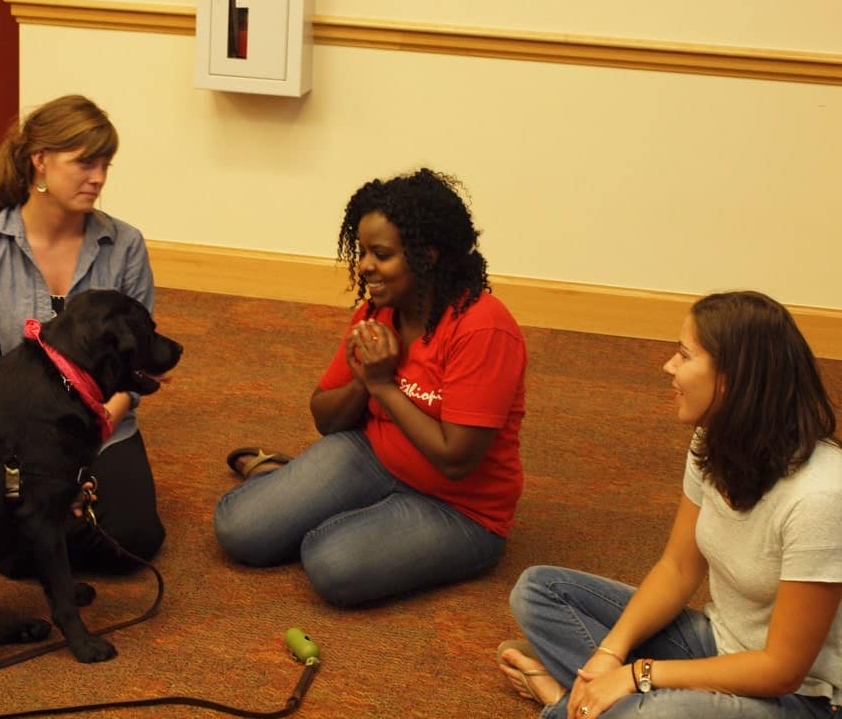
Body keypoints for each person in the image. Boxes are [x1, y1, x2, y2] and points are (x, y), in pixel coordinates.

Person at [498, 291, 841, 719]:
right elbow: (677, 569)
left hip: (803, 700)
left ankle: (563, 704)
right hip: (718, 645)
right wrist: (609, 653)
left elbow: (782, 670)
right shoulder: (713, 440)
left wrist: (640, 673)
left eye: (683, 355)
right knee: (538, 590)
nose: (668, 367)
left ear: (728, 380)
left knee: (659, 713)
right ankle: (594, 701)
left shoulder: (821, 495)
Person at [214, 167, 527, 606]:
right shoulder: (376, 312)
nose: (364, 266)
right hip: (372, 454)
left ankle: (312, 500)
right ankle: (294, 488)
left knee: (330, 563)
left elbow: (456, 460)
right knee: (239, 529)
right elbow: (325, 417)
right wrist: (364, 382)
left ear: (428, 255)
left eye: (380, 254)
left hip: (459, 508)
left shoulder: (483, 328)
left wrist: (383, 387)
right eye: (362, 251)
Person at [0, 95, 165, 574]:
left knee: (135, 538)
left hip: (103, 425)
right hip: (15, 436)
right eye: (85, 163)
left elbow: (134, 371)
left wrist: (86, 446)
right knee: (2, 538)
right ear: (40, 162)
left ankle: (40, 540)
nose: (99, 178)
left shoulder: (124, 245)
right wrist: (41, 464)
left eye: (105, 164)